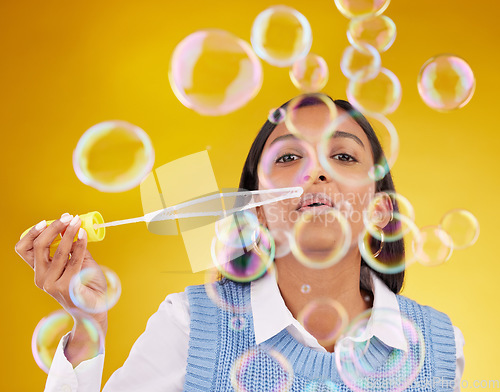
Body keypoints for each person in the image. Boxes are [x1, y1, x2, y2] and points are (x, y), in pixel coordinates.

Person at [15, 95, 465, 391]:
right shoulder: (191, 325)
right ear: (255, 210)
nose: (316, 172)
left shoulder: (440, 345)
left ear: (380, 210)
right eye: (289, 157)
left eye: (343, 155)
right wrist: (86, 326)